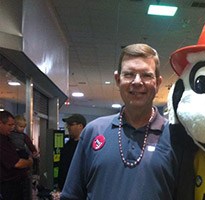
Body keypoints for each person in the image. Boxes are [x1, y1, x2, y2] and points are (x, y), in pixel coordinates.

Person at [60, 43, 184, 199]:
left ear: (158, 83)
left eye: (146, 75)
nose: (137, 82)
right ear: (118, 80)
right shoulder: (93, 132)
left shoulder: (176, 136)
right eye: (129, 74)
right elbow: (71, 195)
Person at [0, 110, 33, 200]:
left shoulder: (8, 138)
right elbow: (17, 163)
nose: (12, 128)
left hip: (16, 183)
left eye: (13, 125)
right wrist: (29, 162)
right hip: (8, 186)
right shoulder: (2, 142)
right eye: (10, 125)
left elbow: (29, 143)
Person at [57, 113, 87, 191]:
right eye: (68, 125)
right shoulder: (67, 145)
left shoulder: (86, 145)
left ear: (80, 126)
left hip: (79, 189)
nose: (68, 127)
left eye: (71, 124)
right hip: (65, 188)